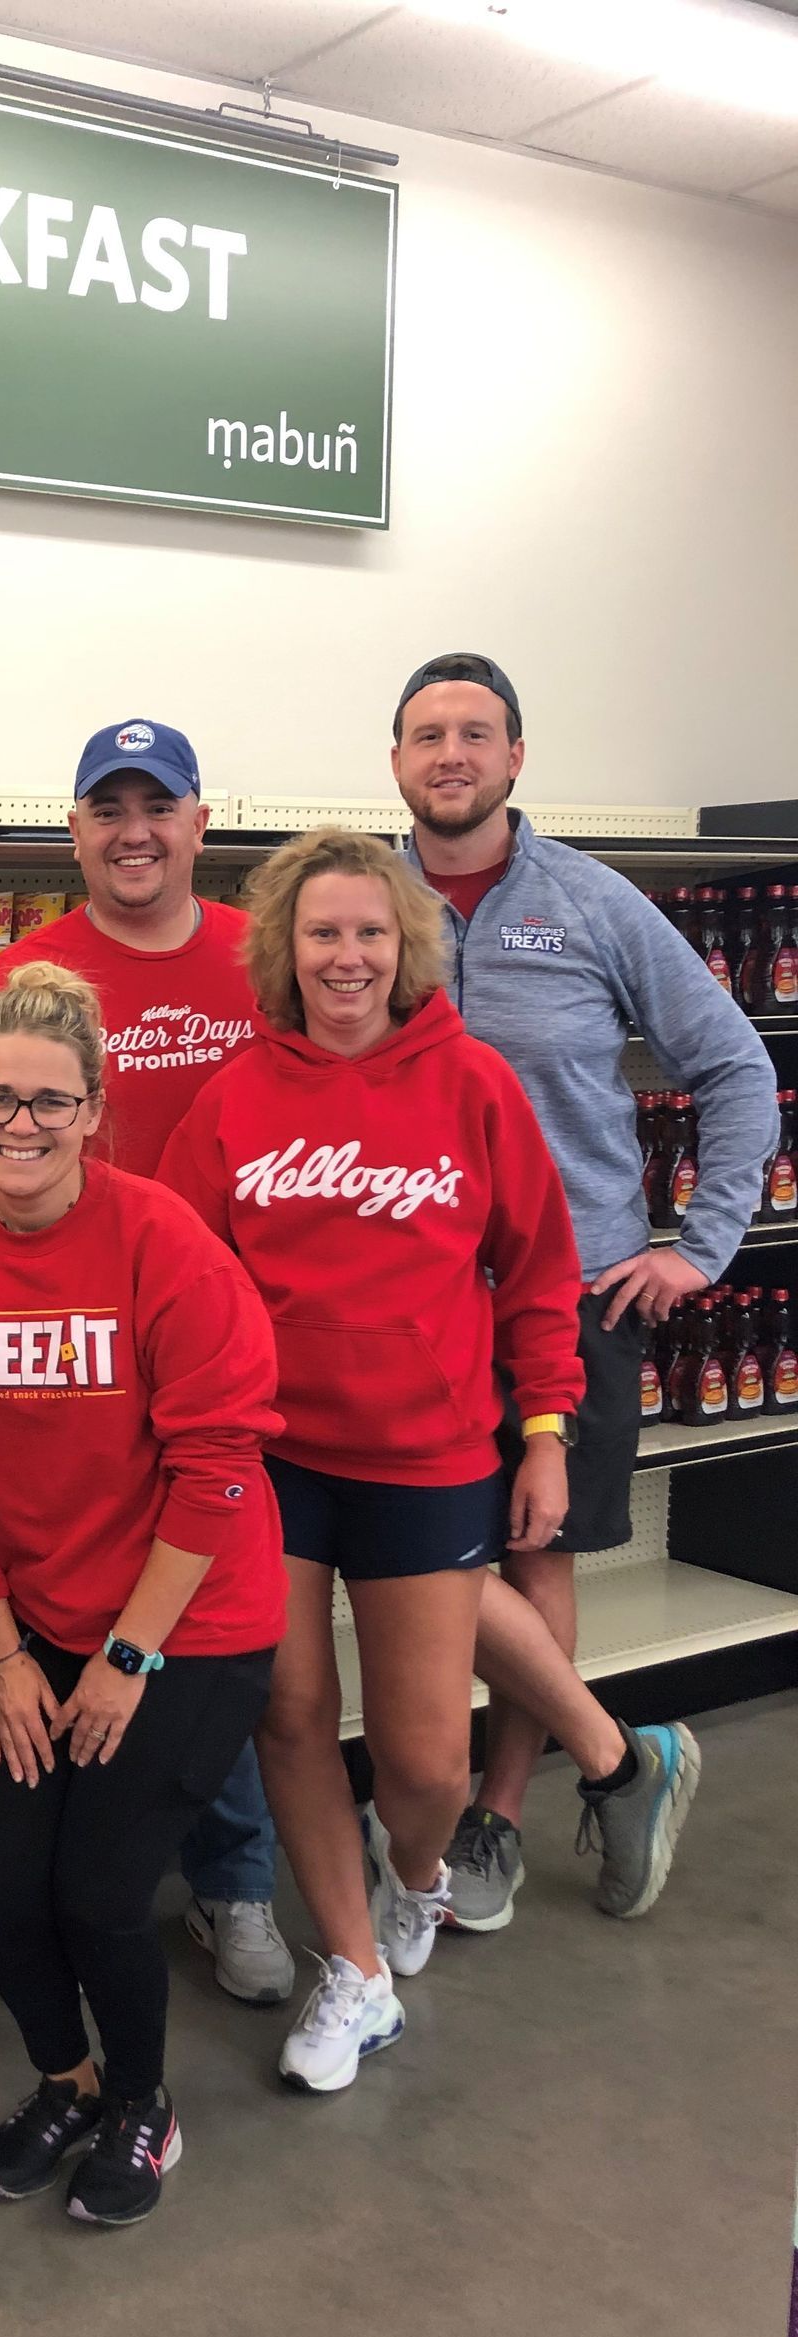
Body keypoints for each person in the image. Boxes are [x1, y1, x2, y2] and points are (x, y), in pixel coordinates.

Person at [160, 832, 587, 2092]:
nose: (345, 956)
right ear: (283, 953)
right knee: (289, 1712)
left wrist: (547, 1434)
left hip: (429, 1457)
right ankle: (354, 1971)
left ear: (406, 949)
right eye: (321, 934)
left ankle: (415, 1877)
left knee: (422, 1761)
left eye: (369, 933)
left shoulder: (473, 1084)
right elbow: (183, 1276)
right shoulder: (235, 1095)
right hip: (275, 1460)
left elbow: (542, 1272)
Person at [0, 962, 283, 2225]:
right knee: (2, 1895)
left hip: (190, 1627)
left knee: (103, 1894)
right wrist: (4, 1654)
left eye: (51, 1102)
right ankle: (67, 2080)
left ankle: (145, 2107)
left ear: (96, 1109)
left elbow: (217, 1468)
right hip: (39, 1627)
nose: (21, 1125)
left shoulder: (162, 1238)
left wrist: (127, 1660)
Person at [390, 655, 769, 1926]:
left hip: (570, 1296)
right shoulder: (358, 907)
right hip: (404, 1297)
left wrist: (698, 1244)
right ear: (396, 761)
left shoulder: (595, 903)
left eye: (476, 734)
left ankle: (495, 1819)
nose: (452, 754)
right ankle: (619, 1755)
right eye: (427, 734)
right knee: (416, 1552)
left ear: (514, 758)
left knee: (533, 1544)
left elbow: (733, 1065)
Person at [0, 718, 292, 2010]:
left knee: (211, 1632)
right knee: (109, 1616)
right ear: (76, 828)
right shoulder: (24, 973)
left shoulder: (258, 959)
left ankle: (239, 1882)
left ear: (202, 822)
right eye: (109, 806)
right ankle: (93, 1898)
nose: (135, 828)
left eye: (161, 804)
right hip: (72, 1368)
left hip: (229, 1348)